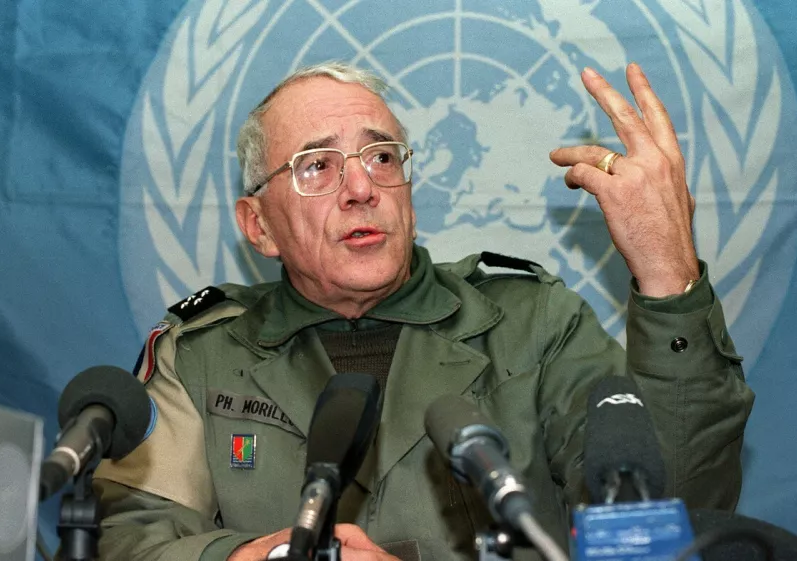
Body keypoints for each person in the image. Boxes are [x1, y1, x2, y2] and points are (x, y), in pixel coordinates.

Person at [92, 61, 753, 561]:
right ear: (257, 224)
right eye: (316, 166)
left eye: (382, 156)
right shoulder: (203, 353)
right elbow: (128, 533)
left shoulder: (534, 323)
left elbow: (667, 513)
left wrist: (668, 274)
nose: (360, 188)